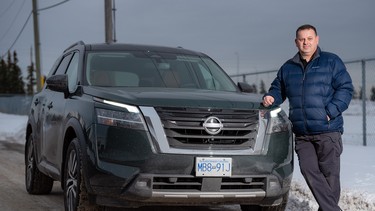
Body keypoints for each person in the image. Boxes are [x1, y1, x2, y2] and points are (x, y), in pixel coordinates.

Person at [263, 24, 353, 211]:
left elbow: (346, 88)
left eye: (309, 38)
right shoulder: (288, 67)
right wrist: (271, 96)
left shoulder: (331, 61)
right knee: (308, 170)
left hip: (328, 131)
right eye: (302, 39)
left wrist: (330, 111)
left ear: (317, 39)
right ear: (296, 42)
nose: (306, 42)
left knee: (330, 178)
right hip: (303, 133)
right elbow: (278, 89)